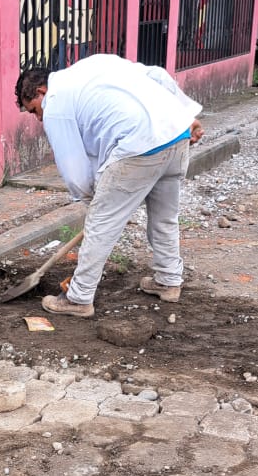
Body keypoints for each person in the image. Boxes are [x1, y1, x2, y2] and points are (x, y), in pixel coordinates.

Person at [15, 54, 204, 317]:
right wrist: (187, 116)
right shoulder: (94, 66)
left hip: (139, 145)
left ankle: (79, 298)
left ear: (41, 92)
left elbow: (73, 167)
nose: (38, 118)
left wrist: (94, 203)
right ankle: (169, 280)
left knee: (100, 225)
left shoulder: (55, 103)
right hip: (176, 135)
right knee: (165, 218)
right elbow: (158, 75)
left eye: (34, 110)